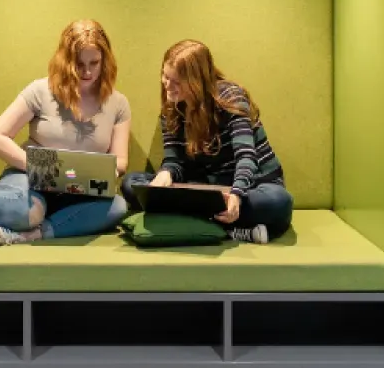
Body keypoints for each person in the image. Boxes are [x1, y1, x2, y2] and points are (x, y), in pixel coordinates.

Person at [0, 19, 132, 248]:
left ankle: (25, 235)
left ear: (105, 60)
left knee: (118, 206)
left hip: (79, 190)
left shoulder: (118, 103)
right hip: (28, 180)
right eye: (78, 63)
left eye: (94, 63)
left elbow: (121, 161)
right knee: (28, 210)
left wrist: (104, 172)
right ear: (65, 60)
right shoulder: (41, 90)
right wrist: (42, 170)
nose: (86, 71)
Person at [121, 39, 293, 244]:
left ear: (196, 81)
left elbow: (246, 157)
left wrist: (236, 195)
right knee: (131, 184)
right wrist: (165, 174)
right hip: (206, 189)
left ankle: (199, 223)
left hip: (251, 187)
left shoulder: (231, 98)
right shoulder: (171, 110)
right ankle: (231, 230)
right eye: (165, 77)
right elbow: (174, 161)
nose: (167, 85)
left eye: (176, 81)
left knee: (278, 202)